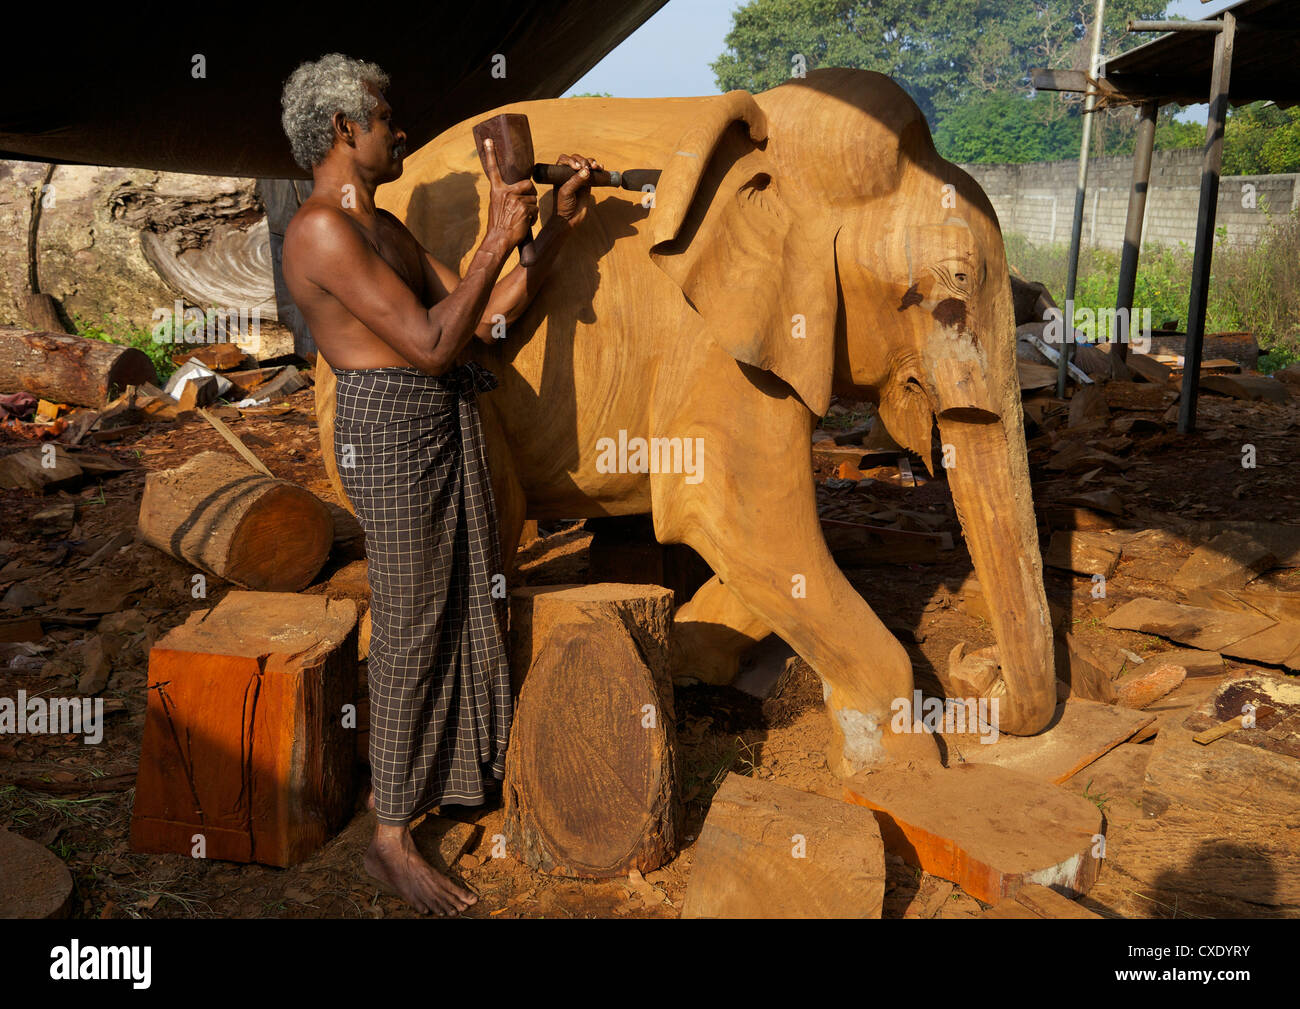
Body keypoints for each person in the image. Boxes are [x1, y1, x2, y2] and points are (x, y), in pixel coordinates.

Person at [279, 53, 598, 915]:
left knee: (464, 599)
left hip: (435, 419)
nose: (401, 130)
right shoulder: (320, 230)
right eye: (386, 118)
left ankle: (450, 779)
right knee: (415, 620)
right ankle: (388, 836)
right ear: (346, 129)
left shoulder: (379, 228)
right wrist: (498, 229)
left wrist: (554, 229)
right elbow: (427, 344)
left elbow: (481, 322)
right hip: (388, 426)